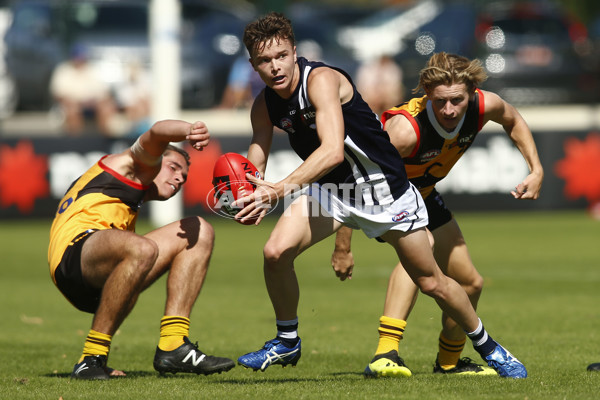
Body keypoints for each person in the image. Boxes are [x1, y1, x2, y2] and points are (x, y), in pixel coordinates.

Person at [233, 12, 527, 379]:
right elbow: (257, 151)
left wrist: (277, 189)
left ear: (294, 52)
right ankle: (287, 340)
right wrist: (249, 188)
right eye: (264, 60)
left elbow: (331, 152)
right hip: (333, 190)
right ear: (253, 64)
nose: (274, 66)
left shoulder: (322, 81)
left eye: (280, 56)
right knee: (275, 253)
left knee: (431, 281)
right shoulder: (264, 104)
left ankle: (489, 346)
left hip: (384, 189)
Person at [331, 52, 544, 377]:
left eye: (456, 100)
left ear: (471, 93)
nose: (448, 110)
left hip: (425, 197)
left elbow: (512, 119)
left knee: (470, 283)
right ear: (427, 94)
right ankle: (385, 353)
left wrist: (536, 169)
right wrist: (343, 245)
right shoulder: (405, 131)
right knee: (423, 247)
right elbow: (354, 176)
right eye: (440, 101)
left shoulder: (485, 105)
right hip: (383, 198)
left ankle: (449, 363)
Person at [47, 119, 235, 380]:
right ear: (155, 160)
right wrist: (190, 130)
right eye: (173, 167)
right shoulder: (128, 163)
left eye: (184, 175)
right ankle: (91, 358)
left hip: (101, 275)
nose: (179, 177)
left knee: (199, 229)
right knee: (142, 249)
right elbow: (157, 132)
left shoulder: (130, 196)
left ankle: (173, 345)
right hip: (73, 257)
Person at [49, 43, 116, 136]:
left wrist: (94, 102)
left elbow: (105, 93)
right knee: (72, 110)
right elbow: (58, 95)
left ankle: (105, 143)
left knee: (106, 109)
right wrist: (77, 103)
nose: (79, 60)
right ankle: (77, 143)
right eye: (77, 57)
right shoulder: (64, 70)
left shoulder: (93, 70)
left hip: (93, 105)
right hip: (72, 105)